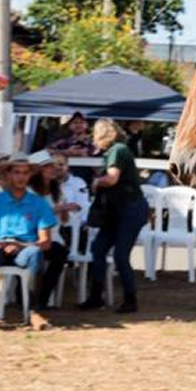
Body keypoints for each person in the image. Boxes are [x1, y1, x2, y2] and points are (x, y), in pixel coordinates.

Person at [0, 154, 57, 330]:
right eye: (16, 172)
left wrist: (20, 246)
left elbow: (45, 241)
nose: (21, 177)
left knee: (35, 254)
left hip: (25, 248)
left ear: (30, 176)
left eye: (25, 173)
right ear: (7, 175)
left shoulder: (39, 203)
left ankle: (33, 311)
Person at [78, 119, 148, 314]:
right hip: (116, 211)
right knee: (98, 248)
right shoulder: (114, 151)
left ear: (102, 134)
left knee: (120, 255)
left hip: (130, 210)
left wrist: (96, 182)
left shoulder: (118, 150)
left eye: (95, 135)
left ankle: (130, 299)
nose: (94, 139)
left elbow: (112, 178)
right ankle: (95, 296)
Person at [27, 150, 73, 310]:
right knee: (36, 254)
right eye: (48, 166)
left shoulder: (57, 190)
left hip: (53, 237)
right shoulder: (29, 191)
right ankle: (28, 297)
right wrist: (60, 208)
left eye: (53, 166)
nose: (53, 169)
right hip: (31, 237)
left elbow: (64, 221)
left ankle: (43, 298)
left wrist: (65, 211)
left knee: (60, 253)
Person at [50, 111, 96, 184]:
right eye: (75, 122)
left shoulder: (94, 142)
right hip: (65, 181)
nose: (78, 125)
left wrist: (86, 157)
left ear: (86, 125)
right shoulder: (63, 142)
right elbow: (46, 152)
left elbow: (100, 169)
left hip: (87, 181)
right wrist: (66, 152)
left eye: (81, 122)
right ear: (70, 125)